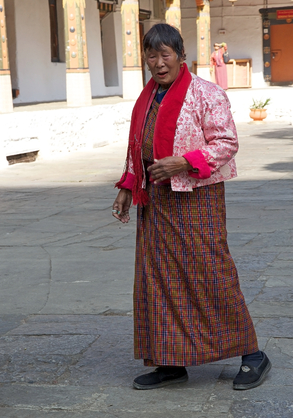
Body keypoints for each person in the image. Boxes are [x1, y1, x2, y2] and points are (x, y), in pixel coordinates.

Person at [112, 23, 271, 391]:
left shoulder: (206, 94)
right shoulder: (148, 96)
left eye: (165, 54)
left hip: (196, 197)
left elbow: (226, 142)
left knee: (211, 272)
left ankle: (252, 355)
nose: (158, 62)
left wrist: (183, 161)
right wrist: (126, 186)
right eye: (151, 55)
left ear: (181, 55)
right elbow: (138, 144)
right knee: (158, 279)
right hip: (155, 200)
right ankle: (170, 361)